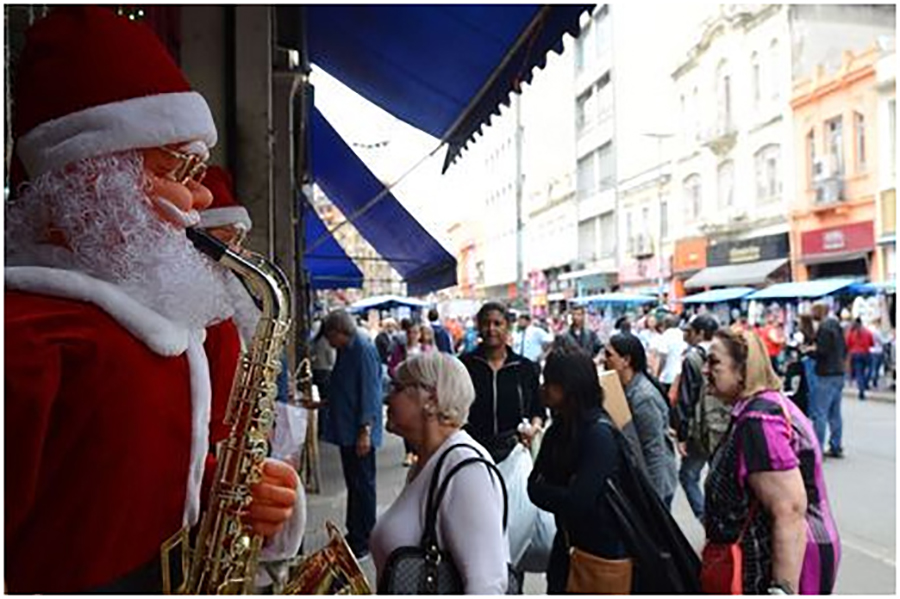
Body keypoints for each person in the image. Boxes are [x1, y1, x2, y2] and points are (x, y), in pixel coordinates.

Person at [5, 8, 302, 593]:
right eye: (179, 168)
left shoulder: (168, 326)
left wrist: (240, 496)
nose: (198, 198)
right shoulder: (23, 340)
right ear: (92, 177)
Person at [702, 329, 840, 594]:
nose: (706, 370)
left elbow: (788, 510)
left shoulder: (758, 421)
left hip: (780, 561)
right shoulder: (764, 405)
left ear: (743, 370)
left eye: (714, 362)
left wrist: (782, 588)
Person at [371, 352, 510, 594]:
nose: (387, 398)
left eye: (397, 388)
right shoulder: (429, 461)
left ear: (431, 399)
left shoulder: (464, 467)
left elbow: (487, 584)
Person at [527, 346, 630, 594]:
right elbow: (532, 488)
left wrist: (550, 491)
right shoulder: (559, 429)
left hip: (599, 557)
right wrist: (560, 493)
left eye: (550, 381)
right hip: (566, 547)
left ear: (569, 386)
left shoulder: (598, 434)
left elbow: (579, 501)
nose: (544, 387)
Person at [321, 309, 384, 559]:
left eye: (329, 336)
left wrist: (364, 431)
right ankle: (355, 532)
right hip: (347, 430)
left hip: (359, 432)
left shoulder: (363, 349)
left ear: (339, 332)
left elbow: (370, 392)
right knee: (355, 484)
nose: (328, 342)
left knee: (363, 485)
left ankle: (365, 539)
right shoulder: (347, 350)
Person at [460, 302, 545, 463]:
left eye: (497, 323)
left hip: (515, 451)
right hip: (473, 451)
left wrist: (533, 428)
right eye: (486, 323)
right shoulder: (464, 366)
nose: (491, 329)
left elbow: (537, 408)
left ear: (508, 327)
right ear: (478, 328)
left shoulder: (524, 367)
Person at [605, 333, 678, 508]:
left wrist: (654, 501)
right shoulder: (625, 389)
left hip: (655, 487)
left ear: (626, 360)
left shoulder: (643, 397)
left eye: (609, 355)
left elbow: (654, 450)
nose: (604, 359)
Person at [673, 314, 729, 524]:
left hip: (701, 428)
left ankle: (706, 519)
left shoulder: (693, 358)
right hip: (724, 426)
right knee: (719, 477)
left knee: (688, 476)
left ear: (700, 333)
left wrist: (682, 434)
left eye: (691, 331)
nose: (688, 334)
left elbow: (686, 399)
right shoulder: (726, 353)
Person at [809, 303, 847, 457]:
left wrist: (811, 351)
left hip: (826, 373)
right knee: (835, 413)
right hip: (839, 372)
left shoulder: (824, 328)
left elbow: (822, 351)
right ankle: (836, 445)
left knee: (820, 413)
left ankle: (818, 448)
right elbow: (844, 348)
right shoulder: (837, 326)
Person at [652, 314, 687, 401]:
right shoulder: (682, 334)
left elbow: (663, 357)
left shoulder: (665, 336)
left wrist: (657, 373)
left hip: (667, 376)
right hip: (680, 374)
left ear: (664, 324)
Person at [845, 317, 874, 401]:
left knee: (858, 373)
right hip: (865, 353)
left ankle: (861, 389)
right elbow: (871, 343)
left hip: (854, 353)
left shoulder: (851, 332)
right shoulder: (867, 332)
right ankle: (864, 384)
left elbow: (847, 343)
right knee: (866, 370)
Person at [868, 317, 888, 389]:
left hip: (871, 350)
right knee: (876, 368)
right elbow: (882, 340)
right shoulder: (877, 332)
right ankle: (874, 382)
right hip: (878, 351)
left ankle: (870, 381)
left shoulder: (870, 331)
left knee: (872, 367)